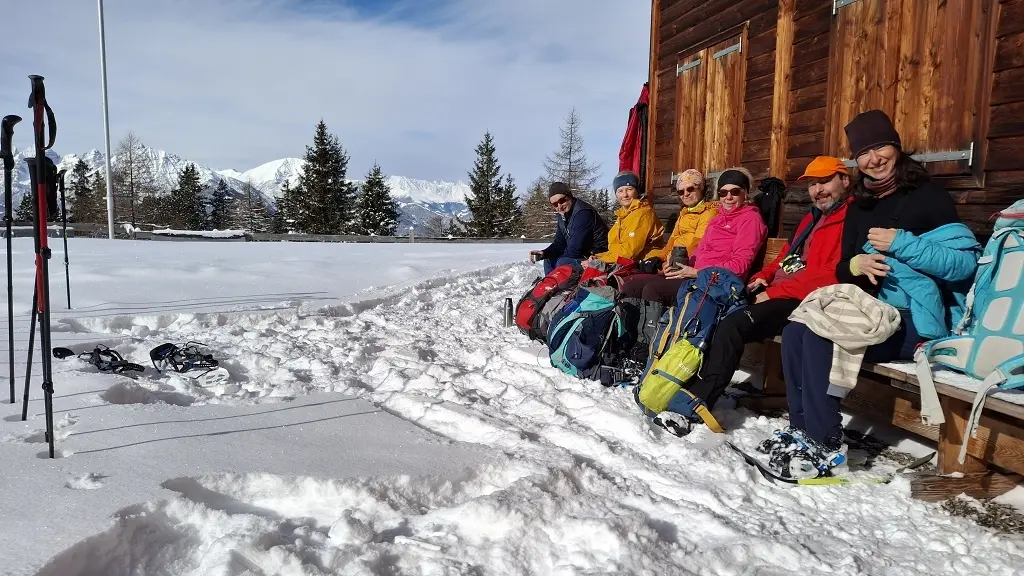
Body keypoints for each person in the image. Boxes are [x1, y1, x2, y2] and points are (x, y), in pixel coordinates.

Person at [763, 109, 982, 479]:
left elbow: (963, 267)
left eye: (880, 147)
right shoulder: (862, 206)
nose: (874, 158)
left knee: (821, 334)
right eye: (864, 152)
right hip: (870, 308)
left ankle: (826, 445)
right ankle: (804, 431)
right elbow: (844, 265)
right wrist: (857, 265)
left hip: (918, 319)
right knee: (799, 327)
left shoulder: (929, 197)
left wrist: (903, 244)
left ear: (896, 147)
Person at [689, 156, 852, 411]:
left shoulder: (849, 219)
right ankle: (689, 378)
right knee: (720, 309)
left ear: (844, 180)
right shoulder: (812, 218)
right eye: (812, 184)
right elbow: (788, 256)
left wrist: (775, 291)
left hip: (805, 299)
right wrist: (763, 276)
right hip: (781, 290)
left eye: (824, 182)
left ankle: (700, 399)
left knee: (733, 324)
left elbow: (829, 274)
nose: (817, 190)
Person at [620, 168, 766, 306]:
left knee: (654, 290)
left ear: (745, 193)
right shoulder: (717, 219)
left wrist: (697, 273)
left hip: (717, 283)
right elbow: (698, 251)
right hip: (694, 275)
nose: (728, 197)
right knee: (631, 286)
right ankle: (630, 330)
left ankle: (656, 331)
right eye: (723, 192)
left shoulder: (750, 219)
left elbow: (739, 266)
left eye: (734, 192)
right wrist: (675, 265)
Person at [586, 170, 665, 265]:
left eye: (629, 189)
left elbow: (629, 253)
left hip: (645, 264)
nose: (625, 195)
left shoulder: (643, 213)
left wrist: (601, 260)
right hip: (624, 263)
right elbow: (615, 250)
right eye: (620, 191)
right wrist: (598, 257)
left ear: (637, 191)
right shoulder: (622, 216)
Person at [529, 182, 609, 274]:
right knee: (549, 259)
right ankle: (550, 284)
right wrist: (544, 253)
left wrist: (560, 260)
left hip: (597, 256)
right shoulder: (562, 215)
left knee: (563, 262)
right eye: (555, 204)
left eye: (562, 201)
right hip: (583, 254)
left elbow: (576, 249)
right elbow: (560, 243)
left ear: (569, 196)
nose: (559, 206)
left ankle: (560, 284)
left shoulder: (582, 213)